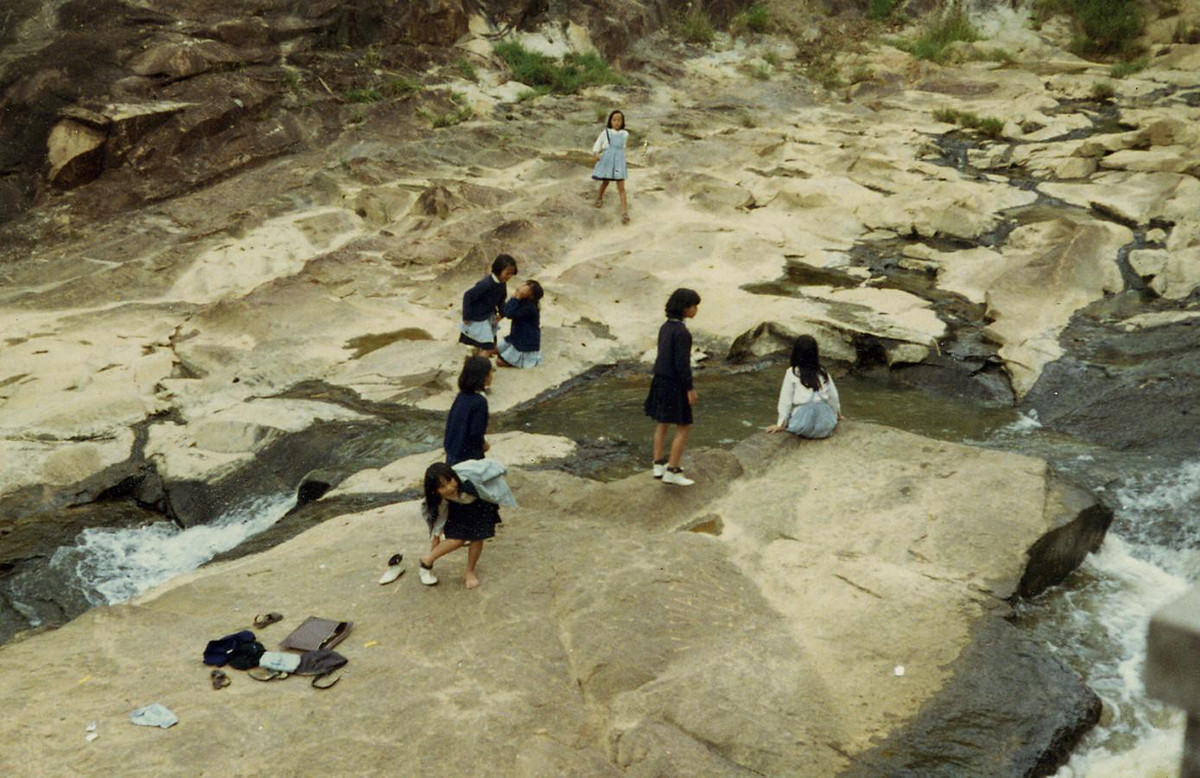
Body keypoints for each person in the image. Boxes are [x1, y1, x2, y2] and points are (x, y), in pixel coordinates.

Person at [644, 288, 701, 486]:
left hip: (659, 380)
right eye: (694, 306)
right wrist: (690, 389)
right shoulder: (683, 333)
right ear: (684, 308)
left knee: (662, 422)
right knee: (684, 426)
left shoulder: (665, 327)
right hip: (675, 384)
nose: (696, 310)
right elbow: (682, 365)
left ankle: (658, 464)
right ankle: (673, 470)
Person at [418, 462, 502, 590]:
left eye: (449, 481)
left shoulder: (470, 481)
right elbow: (438, 518)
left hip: (480, 506)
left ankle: (469, 571)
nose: (449, 488)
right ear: (435, 490)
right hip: (458, 510)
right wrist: (435, 537)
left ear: (454, 476)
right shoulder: (439, 498)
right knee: (457, 540)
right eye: (442, 487)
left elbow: (491, 475)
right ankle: (426, 560)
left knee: (477, 538)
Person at [766, 334, 842, 439]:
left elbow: (785, 401)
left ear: (796, 353)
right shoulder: (822, 372)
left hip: (803, 423)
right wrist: (837, 414)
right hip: (824, 425)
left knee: (795, 417)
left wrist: (780, 424)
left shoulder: (792, 372)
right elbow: (833, 397)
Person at [459, 254, 518, 355]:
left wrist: (502, 314)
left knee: (488, 340)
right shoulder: (486, 284)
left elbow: (501, 300)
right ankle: (481, 363)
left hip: (488, 316)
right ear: (498, 270)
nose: (509, 277)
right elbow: (468, 296)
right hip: (477, 318)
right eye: (507, 273)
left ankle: (480, 359)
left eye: (511, 274)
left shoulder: (502, 283)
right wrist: (466, 316)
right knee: (484, 344)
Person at [444, 356, 493, 467]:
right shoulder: (480, 402)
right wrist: (483, 444)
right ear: (484, 377)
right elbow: (476, 433)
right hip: (467, 457)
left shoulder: (461, 396)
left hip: (453, 451)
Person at [592, 109, 630, 224]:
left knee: (621, 187)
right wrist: (596, 153)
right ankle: (599, 198)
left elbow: (622, 147)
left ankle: (624, 213)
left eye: (619, 120)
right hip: (608, 160)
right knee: (605, 182)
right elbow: (598, 143)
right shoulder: (606, 132)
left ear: (622, 121)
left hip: (618, 161)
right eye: (614, 120)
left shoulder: (625, 134)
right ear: (610, 121)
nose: (617, 122)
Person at [497, 280, 544, 368]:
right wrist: (515, 295)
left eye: (528, 286)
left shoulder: (530, 308)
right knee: (494, 348)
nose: (524, 286)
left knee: (499, 362)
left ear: (531, 296)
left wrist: (517, 297)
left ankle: (515, 361)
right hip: (515, 337)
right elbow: (506, 310)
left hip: (525, 343)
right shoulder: (522, 301)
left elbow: (509, 314)